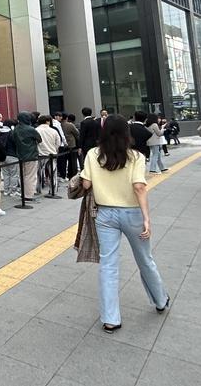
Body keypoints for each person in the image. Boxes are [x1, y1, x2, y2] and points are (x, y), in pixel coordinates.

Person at [80, 114, 169, 333]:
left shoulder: (93, 154)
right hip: (132, 213)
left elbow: (86, 183)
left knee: (108, 265)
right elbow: (139, 187)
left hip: (104, 215)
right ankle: (160, 300)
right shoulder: (135, 157)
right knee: (145, 259)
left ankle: (111, 318)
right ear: (126, 133)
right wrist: (147, 218)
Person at [13, 112, 42, 200]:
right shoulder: (30, 129)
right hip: (31, 155)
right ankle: (28, 195)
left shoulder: (16, 129)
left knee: (23, 175)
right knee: (30, 176)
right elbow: (39, 139)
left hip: (20, 155)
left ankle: (23, 193)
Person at [36, 115, 61, 194]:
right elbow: (58, 142)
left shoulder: (36, 130)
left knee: (38, 173)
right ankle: (52, 190)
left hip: (39, 155)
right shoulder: (53, 131)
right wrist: (55, 149)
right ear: (47, 121)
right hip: (51, 154)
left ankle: (38, 190)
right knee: (52, 174)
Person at [0, 119, 20, 197]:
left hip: (2, 157)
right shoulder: (12, 133)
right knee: (14, 174)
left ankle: (6, 190)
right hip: (12, 156)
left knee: (6, 174)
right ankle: (13, 191)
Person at [59, 113, 80, 180]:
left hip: (62, 145)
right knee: (72, 161)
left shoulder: (59, 125)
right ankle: (72, 174)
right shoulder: (70, 125)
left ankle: (64, 175)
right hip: (71, 145)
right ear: (67, 118)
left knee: (63, 161)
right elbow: (77, 133)